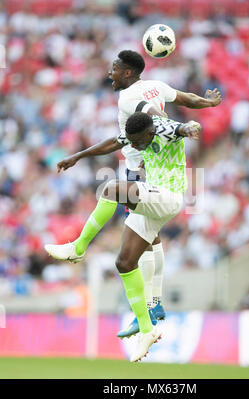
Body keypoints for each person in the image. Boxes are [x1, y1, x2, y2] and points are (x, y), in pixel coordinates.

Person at [54, 50, 221, 338]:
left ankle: (79, 248)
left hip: (151, 181)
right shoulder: (155, 86)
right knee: (134, 252)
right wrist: (207, 103)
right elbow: (183, 99)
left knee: (117, 199)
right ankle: (150, 310)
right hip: (150, 173)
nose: (110, 72)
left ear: (128, 73)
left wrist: (183, 127)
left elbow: (159, 119)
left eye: (115, 68)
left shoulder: (131, 100)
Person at [45, 112, 202, 361]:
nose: (135, 146)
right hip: (153, 200)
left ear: (150, 133)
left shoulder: (163, 128)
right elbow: (112, 143)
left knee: (110, 189)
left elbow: (182, 128)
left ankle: (78, 247)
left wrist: (191, 127)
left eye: (138, 142)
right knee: (125, 262)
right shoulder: (137, 133)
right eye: (132, 141)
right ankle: (147, 330)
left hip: (167, 196)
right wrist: (77, 156)